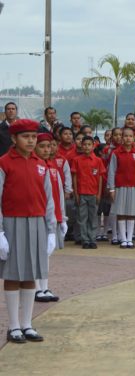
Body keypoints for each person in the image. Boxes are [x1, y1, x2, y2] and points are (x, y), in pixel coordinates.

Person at [0, 119, 57, 343]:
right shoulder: (4, 163)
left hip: (37, 223)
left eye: (34, 136)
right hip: (12, 223)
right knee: (13, 274)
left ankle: (27, 324)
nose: (32, 141)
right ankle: (13, 326)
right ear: (14, 139)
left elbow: (48, 199)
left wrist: (51, 230)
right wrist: (0, 232)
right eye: (26, 136)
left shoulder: (41, 164)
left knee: (31, 273)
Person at [34, 132, 66, 303]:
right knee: (36, 254)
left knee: (46, 254)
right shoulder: (35, 166)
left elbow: (58, 194)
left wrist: (62, 217)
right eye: (43, 146)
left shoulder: (52, 167)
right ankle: (36, 288)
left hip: (51, 215)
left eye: (50, 146)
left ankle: (44, 286)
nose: (47, 150)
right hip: (37, 215)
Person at [108, 127, 135, 249]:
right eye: (125, 136)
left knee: (131, 212)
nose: (128, 138)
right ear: (122, 138)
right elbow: (112, 171)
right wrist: (111, 188)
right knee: (121, 212)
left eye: (130, 136)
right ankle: (123, 239)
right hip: (120, 186)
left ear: (134, 138)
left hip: (134, 186)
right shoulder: (116, 153)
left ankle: (130, 239)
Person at [72, 136, 106, 249]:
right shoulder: (77, 160)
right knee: (82, 218)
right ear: (81, 145)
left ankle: (92, 239)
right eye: (84, 144)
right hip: (81, 193)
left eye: (89, 144)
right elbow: (75, 177)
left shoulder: (98, 160)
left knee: (93, 217)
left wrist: (99, 194)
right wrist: (76, 194)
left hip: (93, 193)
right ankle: (85, 240)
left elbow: (100, 178)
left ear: (93, 146)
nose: (86, 147)